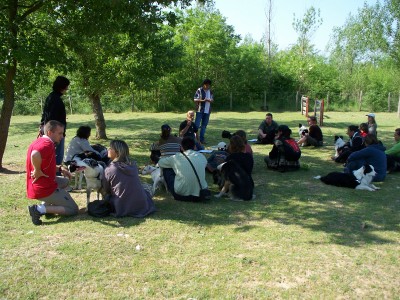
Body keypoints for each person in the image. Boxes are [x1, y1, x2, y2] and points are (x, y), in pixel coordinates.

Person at [26, 120, 79, 225]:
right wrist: (37, 170)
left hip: (38, 185)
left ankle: (49, 207)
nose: (62, 136)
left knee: (65, 182)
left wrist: (60, 169)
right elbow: (35, 154)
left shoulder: (40, 141)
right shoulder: (47, 144)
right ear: (50, 133)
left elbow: (44, 162)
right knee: (73, 209)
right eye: (59, 133)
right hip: (43, 188)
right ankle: (39, 209)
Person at [102, 140, 156, 217]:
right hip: (141, 205)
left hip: (120, 206)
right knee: (146, 187)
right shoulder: (133, 166)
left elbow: (106, 189)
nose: (108, 149)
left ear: (117, 152)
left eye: (110, 148)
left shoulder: (109, 169)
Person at [158, 136, 208, 202]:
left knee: (167, 169)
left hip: (181, 195)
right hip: (201, 193)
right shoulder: (201, 156)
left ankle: (169, 188)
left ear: (181, 147)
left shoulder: (176, 157)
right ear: (194, 147)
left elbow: (160, 163)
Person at [40, 76, 70, 165]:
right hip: (55, 132)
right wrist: (60, 133)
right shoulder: (56, 100)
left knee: (52, 154)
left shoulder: (51, 97)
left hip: (50, 130)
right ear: (62, 87)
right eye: (66, 86)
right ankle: (55, 174)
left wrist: (42, 125)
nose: (67, 89)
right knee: (57, 155)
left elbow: (45, 114)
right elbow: (52, 118)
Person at [194, 78, 213, 144]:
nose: (208, 86)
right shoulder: (199, 90)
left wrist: (210, 100)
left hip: (207, 111)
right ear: (204, 84)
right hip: (200, 110)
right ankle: (195, 139)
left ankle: (202, 139)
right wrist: (203, 100)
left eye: (209, 85)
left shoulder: (210, 91)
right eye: (206, 85)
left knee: (204, 125)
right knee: (196, 125)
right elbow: (195, 99)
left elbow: (212, 99)